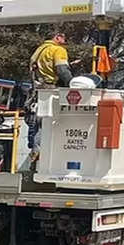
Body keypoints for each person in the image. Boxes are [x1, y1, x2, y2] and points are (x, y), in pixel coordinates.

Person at [26, 32, 78, 165]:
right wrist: (73, 85)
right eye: (63, 38)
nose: (65, 40)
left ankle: (35, 150)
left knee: (38, 122)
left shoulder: (39, 50)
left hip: (37, 89)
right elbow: (62, 71)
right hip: (50, 89)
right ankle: (40, 152)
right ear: (57, 37)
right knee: (48, 122)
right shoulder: (58, 50)